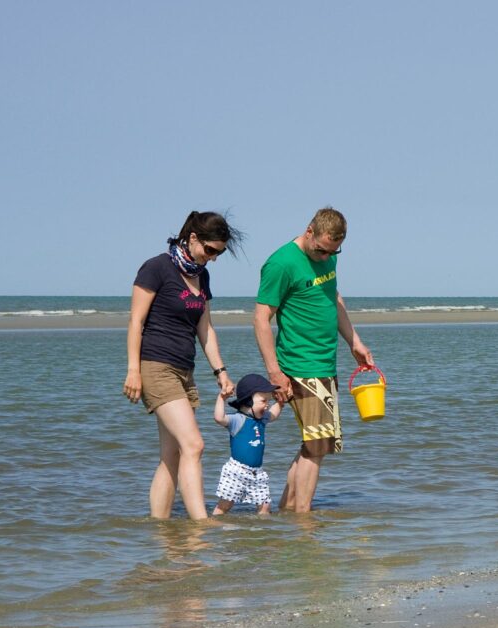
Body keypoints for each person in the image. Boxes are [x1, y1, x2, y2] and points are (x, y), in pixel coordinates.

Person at [123, 211, 244, 520]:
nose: (214, 258)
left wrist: (221, 372)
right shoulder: (156, 269)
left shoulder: (201, 275)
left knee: (172, 455)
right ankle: (200, 526)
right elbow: (136, 321)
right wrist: (133, 371)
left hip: (184, 370)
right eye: (211, 250)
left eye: (219, 253)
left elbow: (206, 329)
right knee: (194, 444)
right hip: (155, 366)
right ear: (192, 239)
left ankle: (160, 527)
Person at [253, 207, 374, 514]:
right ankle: (303, 517)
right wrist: (274, 371)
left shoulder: (328, 255)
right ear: (309, 231)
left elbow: (333, 297)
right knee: (318, 445)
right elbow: (261, 318)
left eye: (333, 252)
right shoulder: (281, 263)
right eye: (321, 250)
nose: (325, 257)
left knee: (315, 443)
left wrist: (354, 341)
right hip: (300, 364)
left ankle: (288, 513)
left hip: (324, 363)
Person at [211, 373, 284, 516]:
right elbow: (219, 418)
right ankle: (215, 526)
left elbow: (273, 414)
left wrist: (280, 403)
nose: (267, 405)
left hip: (257, 473)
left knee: (265, 506)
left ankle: (263, 532)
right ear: (249, 402)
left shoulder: (262, 419)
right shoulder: (238, 420)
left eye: (268, 401)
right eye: (264, 401)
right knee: (225, 505)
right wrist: (221, 398)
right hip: (236, 471)